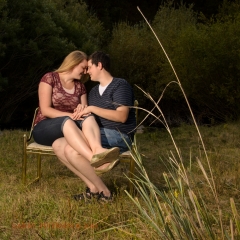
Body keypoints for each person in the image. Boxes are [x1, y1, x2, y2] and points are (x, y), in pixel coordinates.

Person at [33, 50, 119, 202]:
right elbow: (45, 109)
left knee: (62, 146)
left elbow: (83, 111)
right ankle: (95, 159)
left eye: (87, 68)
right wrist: (70, 116)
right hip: (44, 127)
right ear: (73, 63)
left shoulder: (80, 87)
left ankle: (99, 190)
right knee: (67, 122)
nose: (86, 71)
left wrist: (81, 110)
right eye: (84, 67)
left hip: (67, 128)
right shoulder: (49, 78)